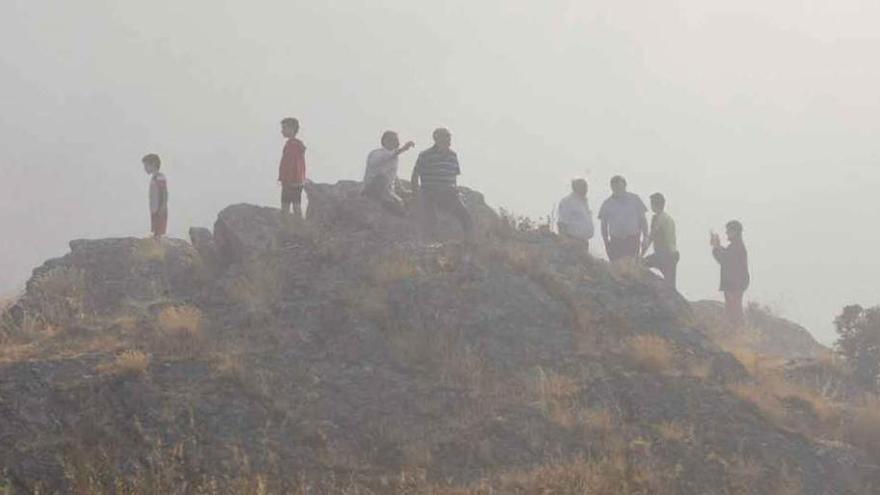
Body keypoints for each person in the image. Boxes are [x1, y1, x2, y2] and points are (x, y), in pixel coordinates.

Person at [411, 128, 474, 242]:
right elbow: (415, 175)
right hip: (430, 191)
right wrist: (416, 195)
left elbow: (454, 176)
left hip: (448, 193)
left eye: (449, 137)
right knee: (431, 220)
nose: (448, 140)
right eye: (445, 137)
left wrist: (455, 189)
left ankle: (469, 243)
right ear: (436, 139)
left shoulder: (452, 156)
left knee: (466, 217)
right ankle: (430, 243)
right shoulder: (425, 155)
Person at [363, 130, 415, 214]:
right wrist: (403, 149)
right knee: (381, 179)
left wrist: (402, 190)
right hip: (373, 188)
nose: (397, 143)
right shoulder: (376, 153)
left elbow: (393, 175)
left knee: (403, 203)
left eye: (397, 140)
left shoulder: (394, 157)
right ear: (385, 141)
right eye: (394, 140)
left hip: (387, 191)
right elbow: (378, 161)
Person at [598, 176, 648, 261]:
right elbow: (603, 225)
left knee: (632, 267)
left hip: (632, 240)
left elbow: (643, 220)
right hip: (616, 242)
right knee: (617, 270)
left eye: (620, 187)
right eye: (615, 187)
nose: (618, 189)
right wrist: (606, 242)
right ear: (612, 188)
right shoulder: (607, 204)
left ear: (625, 186)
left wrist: (646, 237)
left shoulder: (635, 199)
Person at [711, 220, 750, 325]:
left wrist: (716, 247)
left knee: (734, 312)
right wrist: (718, 246)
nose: (726, 233)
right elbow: (726, 257)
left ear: (735, 232)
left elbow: (724, 260)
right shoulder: (736, 246)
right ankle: (738, 334)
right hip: (735, 284)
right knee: (733, 311)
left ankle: (738, 334)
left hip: (734, 285)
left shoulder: (736, 247)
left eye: (728, 231)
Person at [642, 193, 680, 289]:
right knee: (670, 285)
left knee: (642, 264)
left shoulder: (658, 218)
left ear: (653, 205)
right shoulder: (669, 219)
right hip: (672, 254)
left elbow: (651, 237)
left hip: (664, 254)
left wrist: (641, 254)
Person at [278, 117, 307, 217]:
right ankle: (298, 227)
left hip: (290, 181)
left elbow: (290, 164)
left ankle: (290, 228)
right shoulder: (296, 145)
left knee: (286, 206)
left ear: (292, 129)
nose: (282, 131)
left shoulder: (292, 145)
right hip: (297, 181)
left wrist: (286, 179)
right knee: (296, 205)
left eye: (284, 128)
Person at [557, 178, 594, 252]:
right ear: (575, 187)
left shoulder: (583, 202)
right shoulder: (568, 201)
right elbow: (562, 222)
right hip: (572, 241)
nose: (585, 189)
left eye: (586, 186)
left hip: (583, 242)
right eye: (582, 186)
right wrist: (564, 240)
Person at [142, 154, 168, 240]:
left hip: (159, 207)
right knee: (155, 226)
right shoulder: (154, 177)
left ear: (153, 164)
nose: (145, 168)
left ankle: (158, 238)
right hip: (154, 207)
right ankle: (156, 237)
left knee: (159, 226)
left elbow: (164, 192)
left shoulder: (159, 177)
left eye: (146, 166)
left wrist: (163, 206)